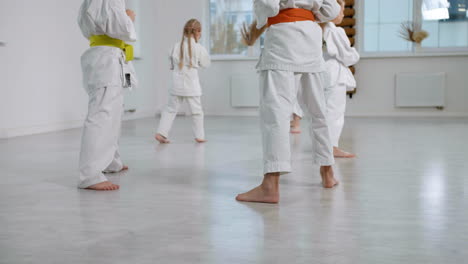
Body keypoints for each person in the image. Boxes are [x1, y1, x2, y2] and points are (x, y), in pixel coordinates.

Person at [236, 0, 342, 204]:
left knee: (275, 112)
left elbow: (268, 4)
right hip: (311, 39)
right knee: (318, 111)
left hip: (283, 39)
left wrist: (261, 17)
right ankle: (328, 173)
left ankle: (270, 185)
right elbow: (332, 10)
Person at [77, 0, 137, 191]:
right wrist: (129, 18)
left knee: (113, 114)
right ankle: (90, 175)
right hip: (107, 58)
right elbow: (124, 28)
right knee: (102, 116)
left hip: (107, 55)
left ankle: (112, 162)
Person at [155, 19, 211, 144]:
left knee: (170, 109)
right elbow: (206, 64)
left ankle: (161, 133)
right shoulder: (199, 48)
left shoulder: (174, 46)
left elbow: (171, 65)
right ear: (197, 32)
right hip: (192, 85)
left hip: (176, 85)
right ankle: (200, 136)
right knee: (197, 112)